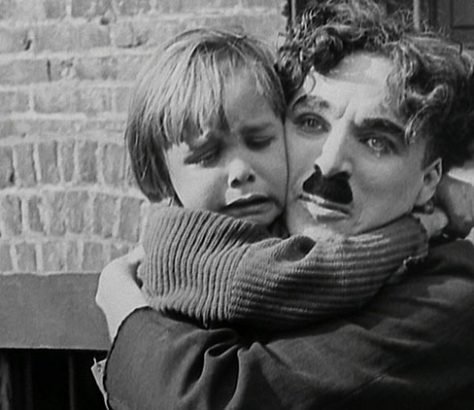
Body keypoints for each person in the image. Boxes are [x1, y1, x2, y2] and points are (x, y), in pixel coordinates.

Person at [98, 1, 474, 408]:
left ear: (429, 180)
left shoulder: (449, 294)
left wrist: (125, 309)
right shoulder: (223, 248)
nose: (329, 163)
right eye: (311, 123)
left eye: (376, 142)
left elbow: (217, 400)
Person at [125, 27, 434, 331]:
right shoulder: (187, 250)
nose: (241, 171)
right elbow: (305, 280)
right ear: (160, 179)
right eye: (207, 155)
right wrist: (410, 233)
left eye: (259, 142)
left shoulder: (257, 223)